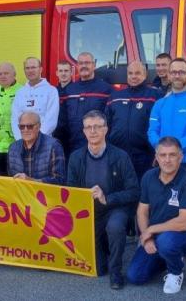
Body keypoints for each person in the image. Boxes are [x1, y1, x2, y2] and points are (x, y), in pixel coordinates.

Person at [67, 110, 139, 290]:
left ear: (106, 129)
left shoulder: (120, 156)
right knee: (98, 269)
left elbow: (134, 191)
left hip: (115, 208)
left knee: (115, 227)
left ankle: (116, 271)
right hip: (90, 212)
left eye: (97, 127)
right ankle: (106, 248)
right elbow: (70, 190)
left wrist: (107, 197)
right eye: (88, 127)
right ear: (83, 131)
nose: (93, 131)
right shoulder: (76, 157)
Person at [126, 137, 186, 294]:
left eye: (172, 155)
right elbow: (142, 211)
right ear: (156, 156)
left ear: (180, 157)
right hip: (157, 236)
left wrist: (150, 229)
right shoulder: (148, 177)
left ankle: (176, 271)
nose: (167, 160)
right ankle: (167, 257)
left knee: (167, 242)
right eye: (163, 155)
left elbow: (184, 223)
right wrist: (147, 239)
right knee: (135, 276)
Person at [147, 58, 186, 176]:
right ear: (168, 75)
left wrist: (171, 152)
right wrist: (164, 152)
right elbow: (152, 131)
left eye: (182, 72)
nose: (177, 76)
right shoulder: (160, 103)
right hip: (163, 162)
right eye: (174, 72)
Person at [105, 61, 162, 179]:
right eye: (130, 73)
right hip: (118, 154)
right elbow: (106, 123)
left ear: (145, 75)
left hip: (145, 156)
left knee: (143, 189)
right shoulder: (115, 96)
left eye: (137, 73)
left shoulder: (155, 96)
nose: (133, 76)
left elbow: (161, 125)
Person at [59, 52, 113, 155]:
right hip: (73, 147)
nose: (84, 66)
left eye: (87, 63)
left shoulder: (106, 89)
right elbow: (63, 120)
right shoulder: (69, 90)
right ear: (77, 66)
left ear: (94, 65)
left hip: (98, 147)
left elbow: (110, 120)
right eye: (81, 63)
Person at [8, 111, 65, 184]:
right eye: (22, 127)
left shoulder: (54, 146)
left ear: (39, 126)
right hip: (20, 194)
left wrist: (32, 181)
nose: (25, 130)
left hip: (44, 194)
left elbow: (59, 180)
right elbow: (10, 178)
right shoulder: (13, 148)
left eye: (30, 126)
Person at [11, 57, 59, 139]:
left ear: (40, 69)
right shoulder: (20, 93)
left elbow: (51, 119)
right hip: (23, 143)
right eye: (27, 68)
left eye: (33, 67)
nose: (30, 71)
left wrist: (37, 140)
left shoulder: (51, 91)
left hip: (44, 142)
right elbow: (15, 119)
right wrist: (21, 139)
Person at [54, 60, 73, 149]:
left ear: (71, 72)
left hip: (72, 135)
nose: (63, 74)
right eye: (60, 71)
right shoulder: (52, 91)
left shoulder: (76, 90)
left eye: (66, 71)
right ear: (57, 73)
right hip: (55, 134)